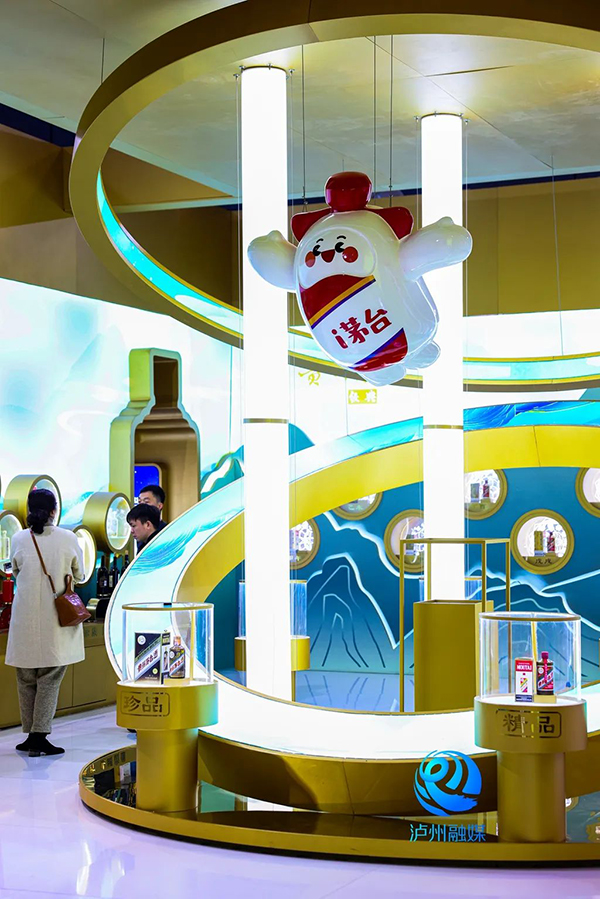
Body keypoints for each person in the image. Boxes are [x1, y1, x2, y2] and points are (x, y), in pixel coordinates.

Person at [5, 489, 85, 757]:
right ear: (54, 511)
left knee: (26, 678)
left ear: (29, 509)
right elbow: (80, 574)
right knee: (50, 677)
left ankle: (30, 734)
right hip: (55, 619)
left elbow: (15, 571)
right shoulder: (68, 538)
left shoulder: (19, 538)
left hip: (24, 617)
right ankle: (39, 735)